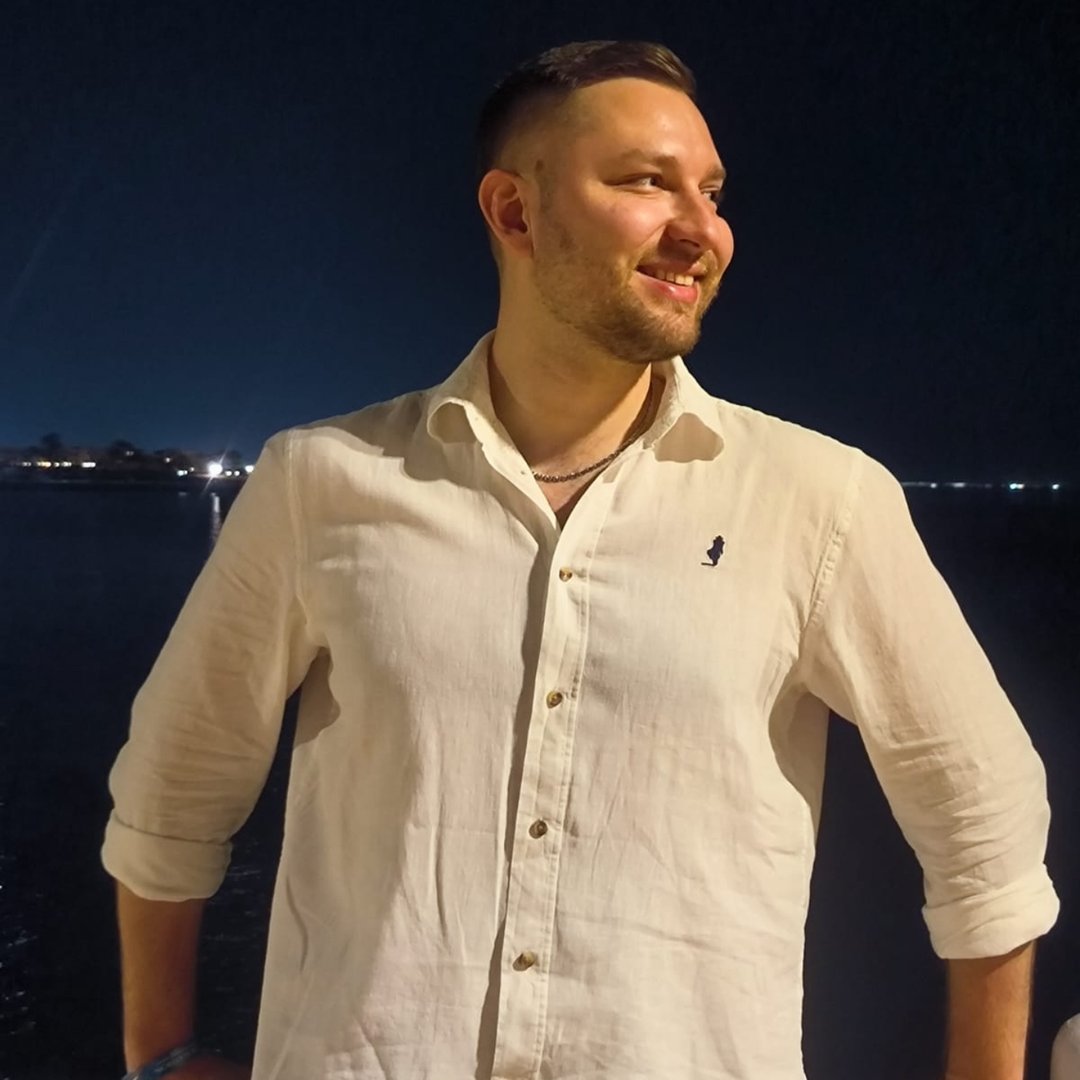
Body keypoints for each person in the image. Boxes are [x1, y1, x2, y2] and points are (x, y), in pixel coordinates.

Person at [103, 40, 1059, 1080]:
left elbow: (984, 818)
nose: (702, 229)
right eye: (646, 182)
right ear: (514, 212)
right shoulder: (321, 480)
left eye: (712, 192)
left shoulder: (820, 500)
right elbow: (175, 783)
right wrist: (161, 1054)